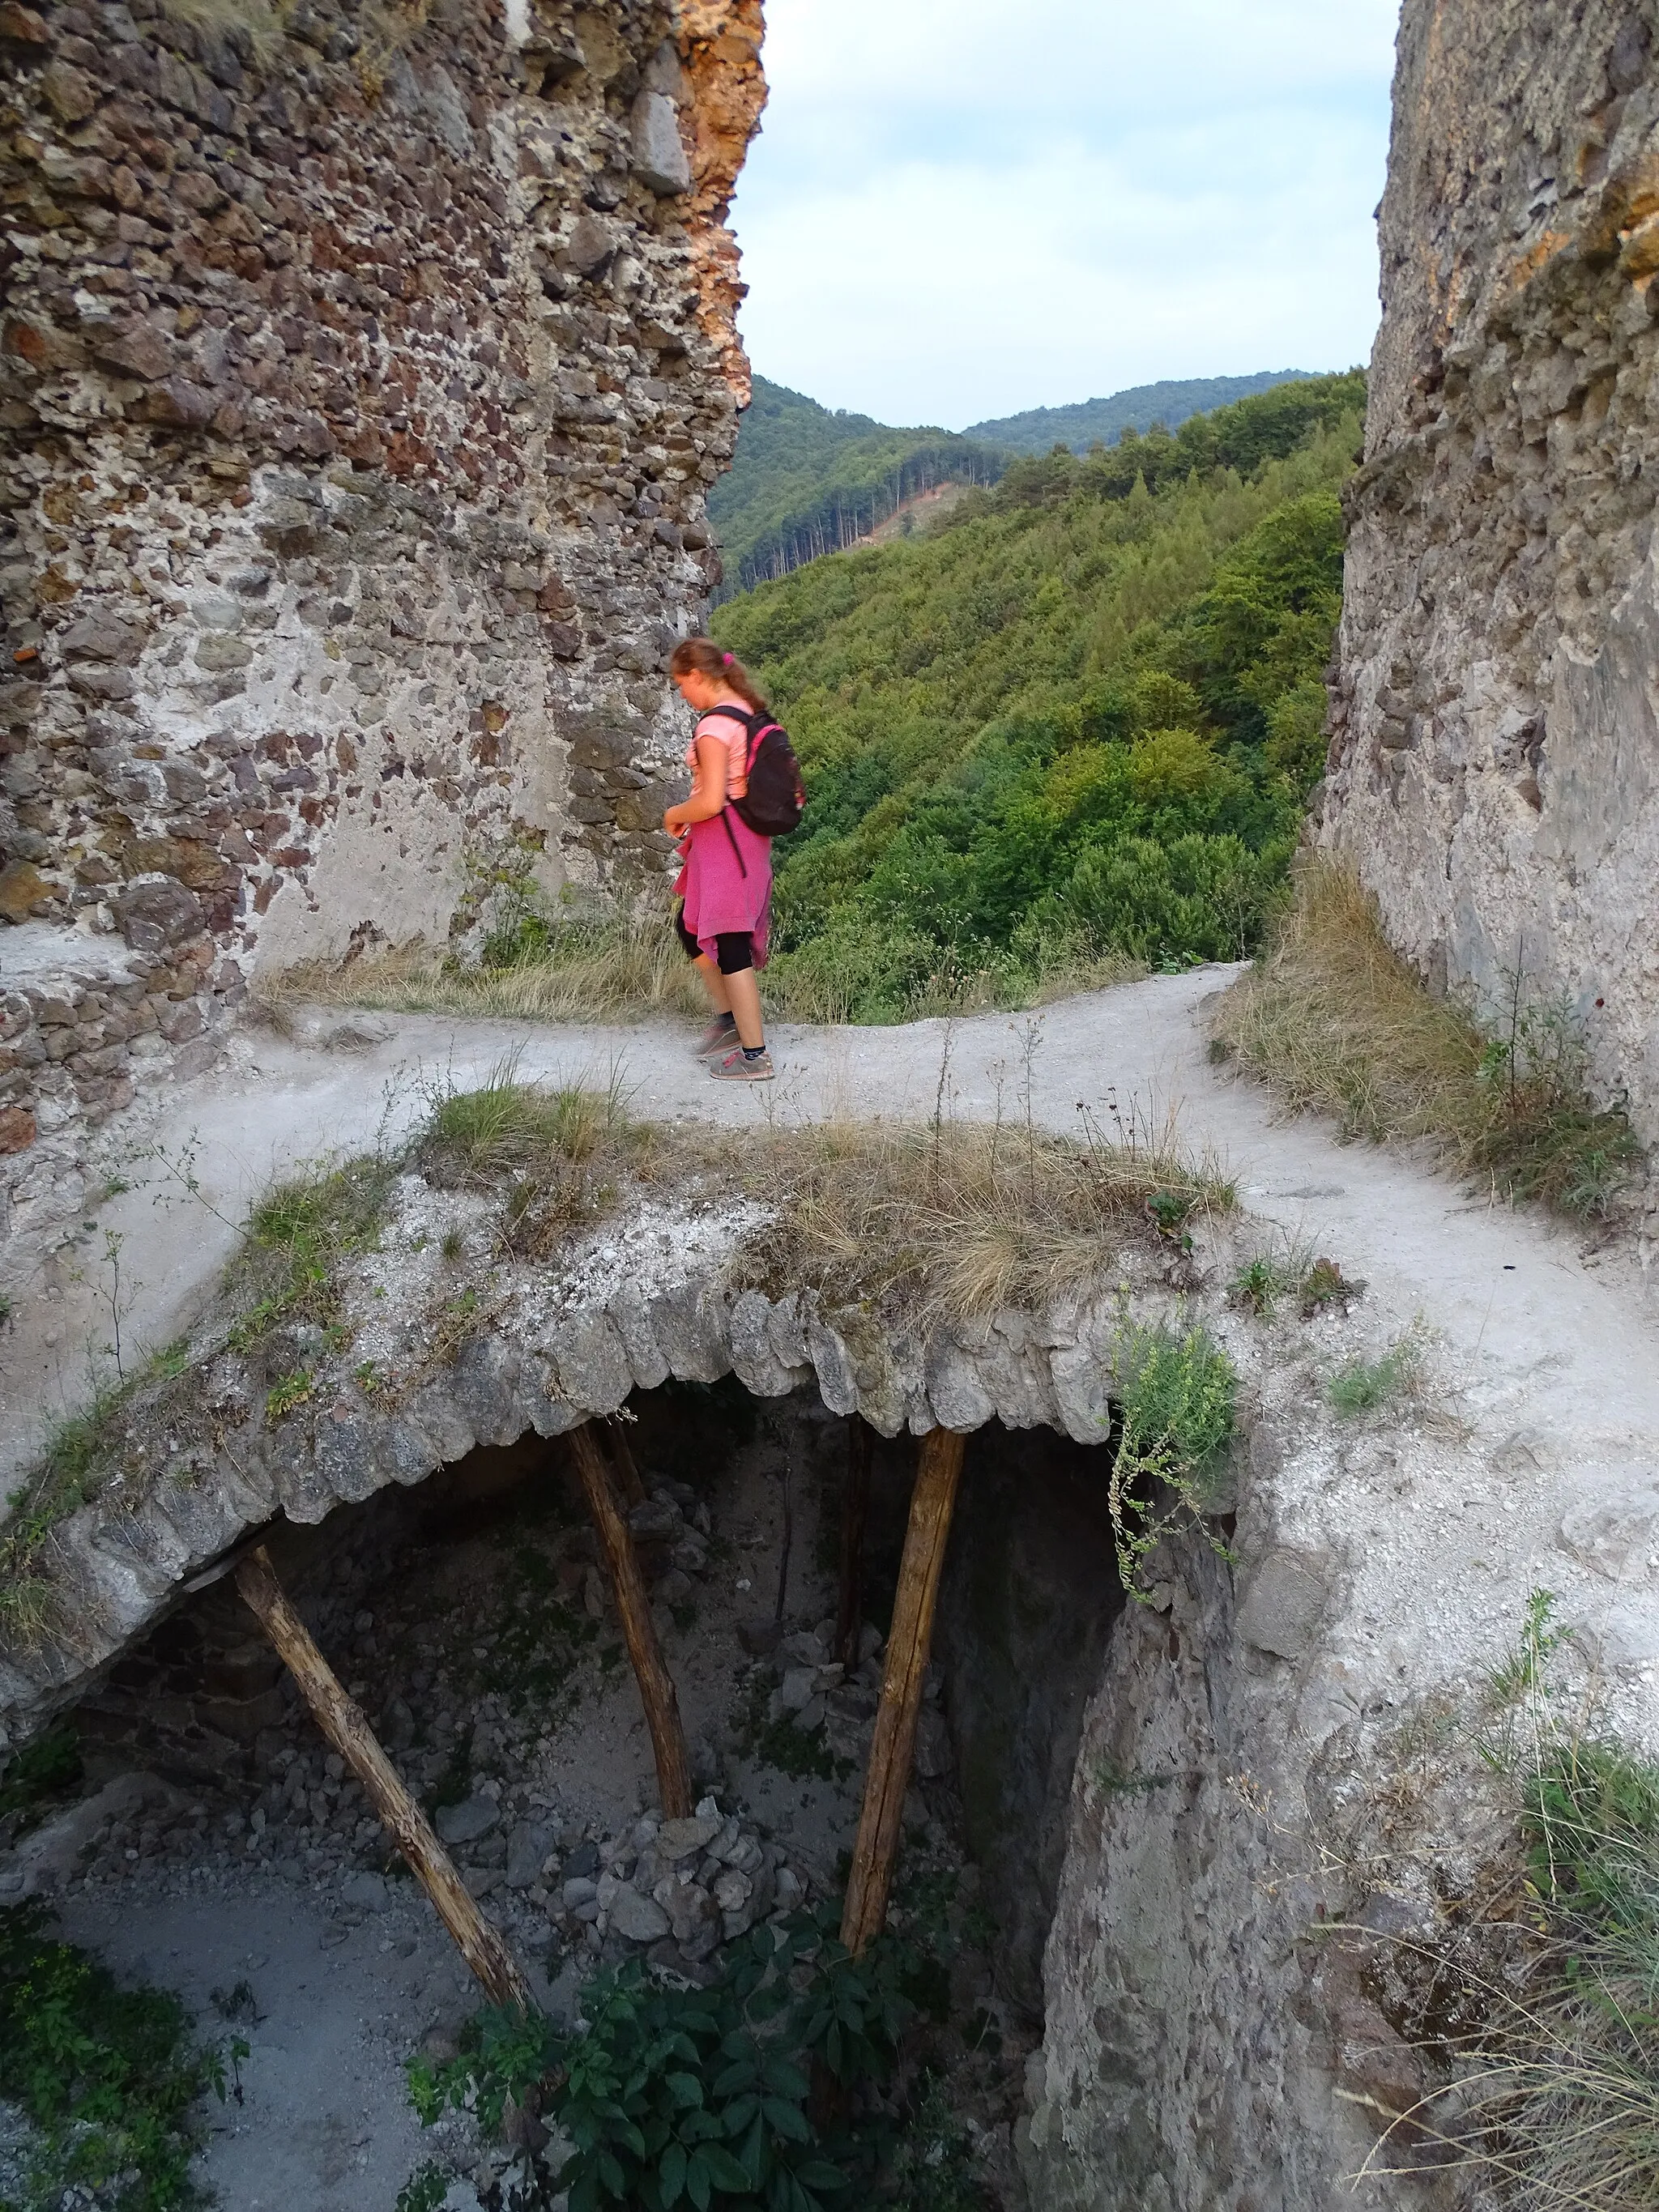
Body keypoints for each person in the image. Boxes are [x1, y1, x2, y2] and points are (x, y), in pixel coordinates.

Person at [664, 636, 775, 1081]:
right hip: (743, 839)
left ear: (697, 676)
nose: (683, 695)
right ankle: (730, 1022)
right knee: (689, 925)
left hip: (724, 839)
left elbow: (710, 801)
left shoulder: (712, 727)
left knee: (729, 941)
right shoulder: (746, 712)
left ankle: (754, 1056)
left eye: (681, 685)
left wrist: (674, 813)